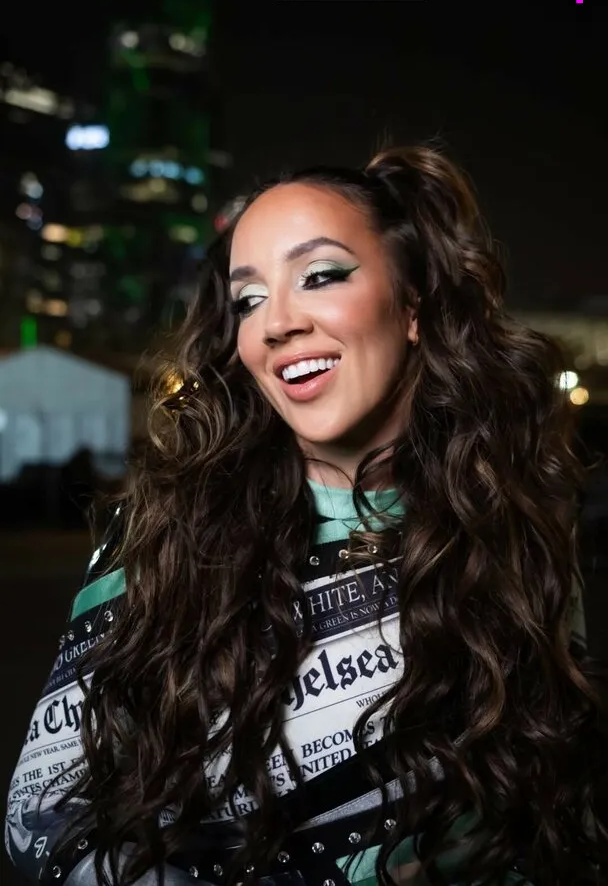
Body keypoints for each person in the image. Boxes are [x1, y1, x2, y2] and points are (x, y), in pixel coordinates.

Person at [4, 145, 604, 886]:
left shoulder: (514, 531)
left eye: (320, 275)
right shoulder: (163, 537)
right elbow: (40, 812)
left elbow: (555, 815)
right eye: (248, 300)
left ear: (412, 305)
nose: (276, 323)